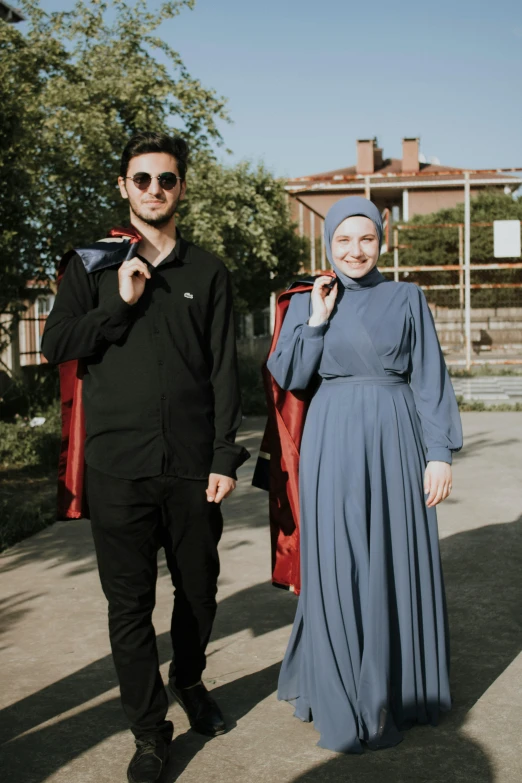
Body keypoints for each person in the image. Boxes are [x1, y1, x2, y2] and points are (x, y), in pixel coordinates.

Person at [42, 131, 249, 783]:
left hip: (192, 467)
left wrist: (224, 455)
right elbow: (56, 344)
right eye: (142, 179)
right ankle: (149, 731)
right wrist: (119, 305)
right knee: (128, 606)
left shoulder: (209, 270)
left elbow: (223, 369)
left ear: (181, 186)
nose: (154, 190)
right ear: (123, 187)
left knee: (200, 592)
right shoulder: (92, 263)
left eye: (166, 179)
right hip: (117, 467)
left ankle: (189, 678)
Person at [266, 196, 462, 753]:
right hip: (331, 441)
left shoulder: (407, 297)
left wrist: (440, 452)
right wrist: (319, 320)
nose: (356, 251)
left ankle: (392, 694)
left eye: (367, 239)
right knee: (338, 561)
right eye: (344, 240)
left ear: (383, 242)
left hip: (397, 437)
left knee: (391, 559)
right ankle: (340, 688)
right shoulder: (309, 298)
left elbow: (430, 378)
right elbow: (291, 377)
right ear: (327, 244)